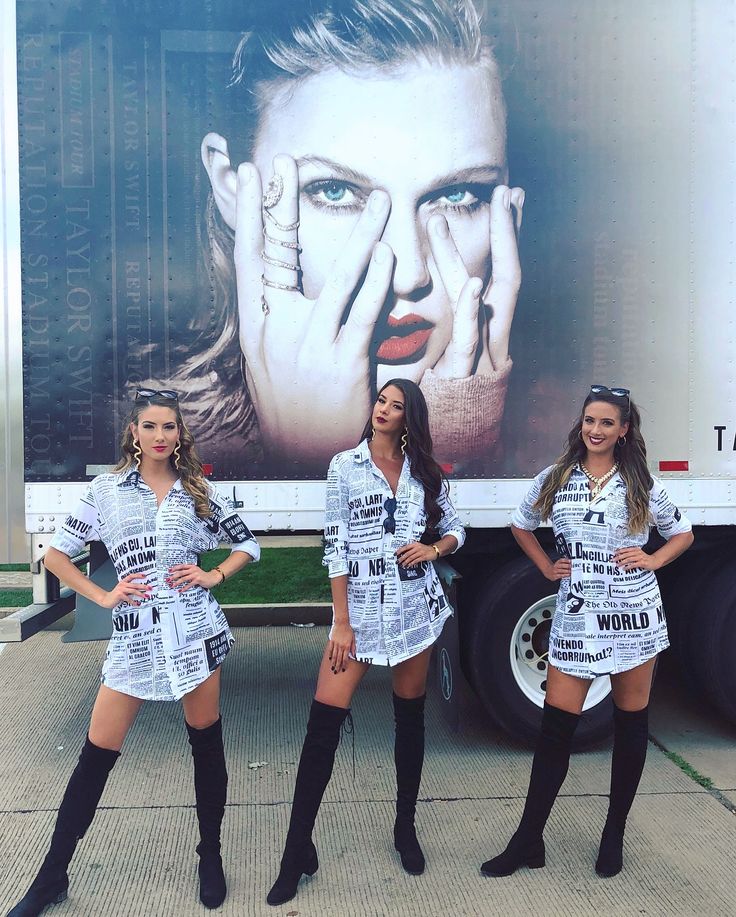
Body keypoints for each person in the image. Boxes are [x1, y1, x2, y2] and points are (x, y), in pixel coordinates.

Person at [181, 0, 523, 476]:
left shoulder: (566, 435)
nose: (408, 275)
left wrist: (464, 452)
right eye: (335, 191)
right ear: (232, 187)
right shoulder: (142, 436)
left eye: (458, 194)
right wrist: (308, 461)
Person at [7, 389, 260, 916]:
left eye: (169, 427)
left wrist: (212, 574)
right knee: (95, 757)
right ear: (134, 434)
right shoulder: (106, 492)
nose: (160, 436)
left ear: (179, 435)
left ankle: (209, 857)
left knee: (206, 749)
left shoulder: (198, 491)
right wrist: (101, 595)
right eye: (150, 427)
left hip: (194, 633)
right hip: (134, 640)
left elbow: (248, 544)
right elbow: (56, 556)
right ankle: (52, 875)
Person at [479, 384, 694, 880]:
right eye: (589, 421)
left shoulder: (641, 483)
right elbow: (520, 523)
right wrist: (545, 566)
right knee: (555, 730)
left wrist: (654, 558)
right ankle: (527, 839)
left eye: (606, 423)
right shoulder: (557, 478)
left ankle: (613, 834)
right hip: (575, 618)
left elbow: (683, 532)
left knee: (630, 722)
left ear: (623, 431)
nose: (594, 430)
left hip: (635, 618)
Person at [265, 378, 465, 905]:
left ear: (409, 417)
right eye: (381, 401)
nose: (384, 410)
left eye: (397, 406)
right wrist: (341, 622)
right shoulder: (344, 467)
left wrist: (433, 549)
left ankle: (405, 829)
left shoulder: (425, 472)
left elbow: (458, 529)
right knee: (322, 727)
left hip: (414, 613)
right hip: (359, 615)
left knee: (409, 719)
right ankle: (296, 851)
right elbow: (335, 546)